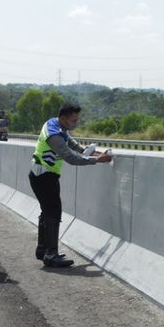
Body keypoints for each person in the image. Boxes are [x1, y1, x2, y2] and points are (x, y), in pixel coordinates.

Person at [29, 101, 112, 268]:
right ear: (63, 118)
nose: (75, 123)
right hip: (44, 176)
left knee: (47, 211)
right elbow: (70, 157)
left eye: (77, 120)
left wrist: (94, 152)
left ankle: (43, 249)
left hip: (41, 175)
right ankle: (51, 254)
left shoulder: (58, 126)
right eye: (73, 121)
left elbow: (76, 148)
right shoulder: (54, 134)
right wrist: (97, 160)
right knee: (53, 212)